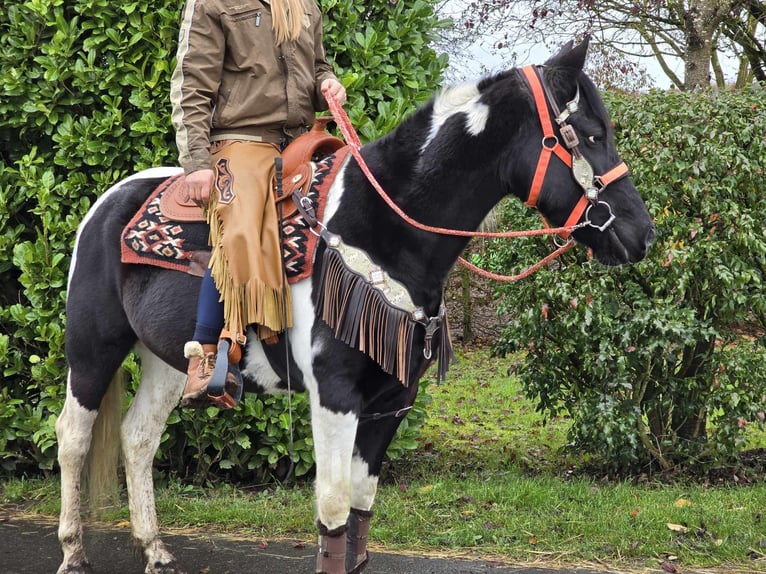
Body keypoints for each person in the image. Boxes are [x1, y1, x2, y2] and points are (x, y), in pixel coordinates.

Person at [170, 0, 346, 408]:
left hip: (303, 138)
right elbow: (192, 86)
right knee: (243, 227)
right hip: (243, 139)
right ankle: (207, 353)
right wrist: (197, 164)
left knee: (356, 198)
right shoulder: (213, 4)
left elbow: (316, 66)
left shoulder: (305, 4)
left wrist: (327, 83)